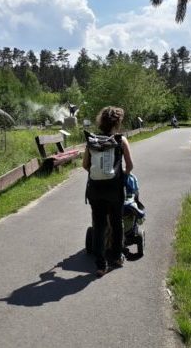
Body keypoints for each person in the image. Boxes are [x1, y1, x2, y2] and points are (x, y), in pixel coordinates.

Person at [82, 106, 134, 277]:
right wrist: (120, 175)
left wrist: (97, 173)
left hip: (96, 190)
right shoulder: (121, 140)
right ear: (117, 122)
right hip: (115, 190)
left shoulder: (92, 140)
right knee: (116, 222)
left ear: (101, 121)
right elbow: (130, 166)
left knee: (98, 226)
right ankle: (118, 257)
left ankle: (100, 265)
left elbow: (85, 165)